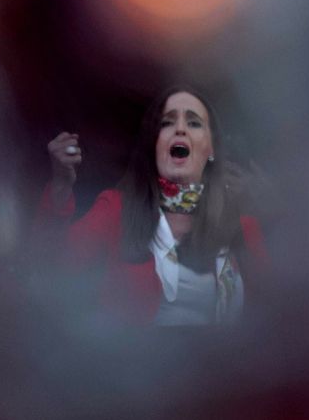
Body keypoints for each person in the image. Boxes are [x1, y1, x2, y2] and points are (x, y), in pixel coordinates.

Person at [39, 87, 266, 325]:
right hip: (139, 360)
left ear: (211, 149)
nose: (180, 129)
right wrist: (60, 186)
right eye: (167, 123)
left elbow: (279, 314)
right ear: (154, 145)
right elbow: (51, 267)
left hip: (222, 361)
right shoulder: (117, 210)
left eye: (194, 123)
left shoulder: (242, 229)